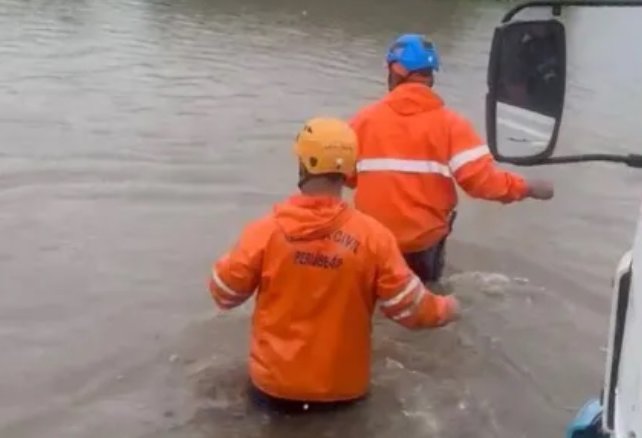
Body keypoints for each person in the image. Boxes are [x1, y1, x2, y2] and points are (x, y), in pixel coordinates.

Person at [208, 117, 460, 415]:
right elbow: (411, 310)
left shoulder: (266, 232)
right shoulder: (374, 238)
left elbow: (223, 293)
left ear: (302, 164)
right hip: (343, 391)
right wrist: (449, 307)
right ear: (350, 170)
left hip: (272, 387)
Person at [347, 33, 555, 283]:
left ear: (396, 70)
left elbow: (345, 177)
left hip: (372, 243)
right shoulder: (452, 125)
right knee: (423, 306)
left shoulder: (363, 121)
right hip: (422, 246)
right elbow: (483, 183)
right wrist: (528, 187)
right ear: (430, 76)